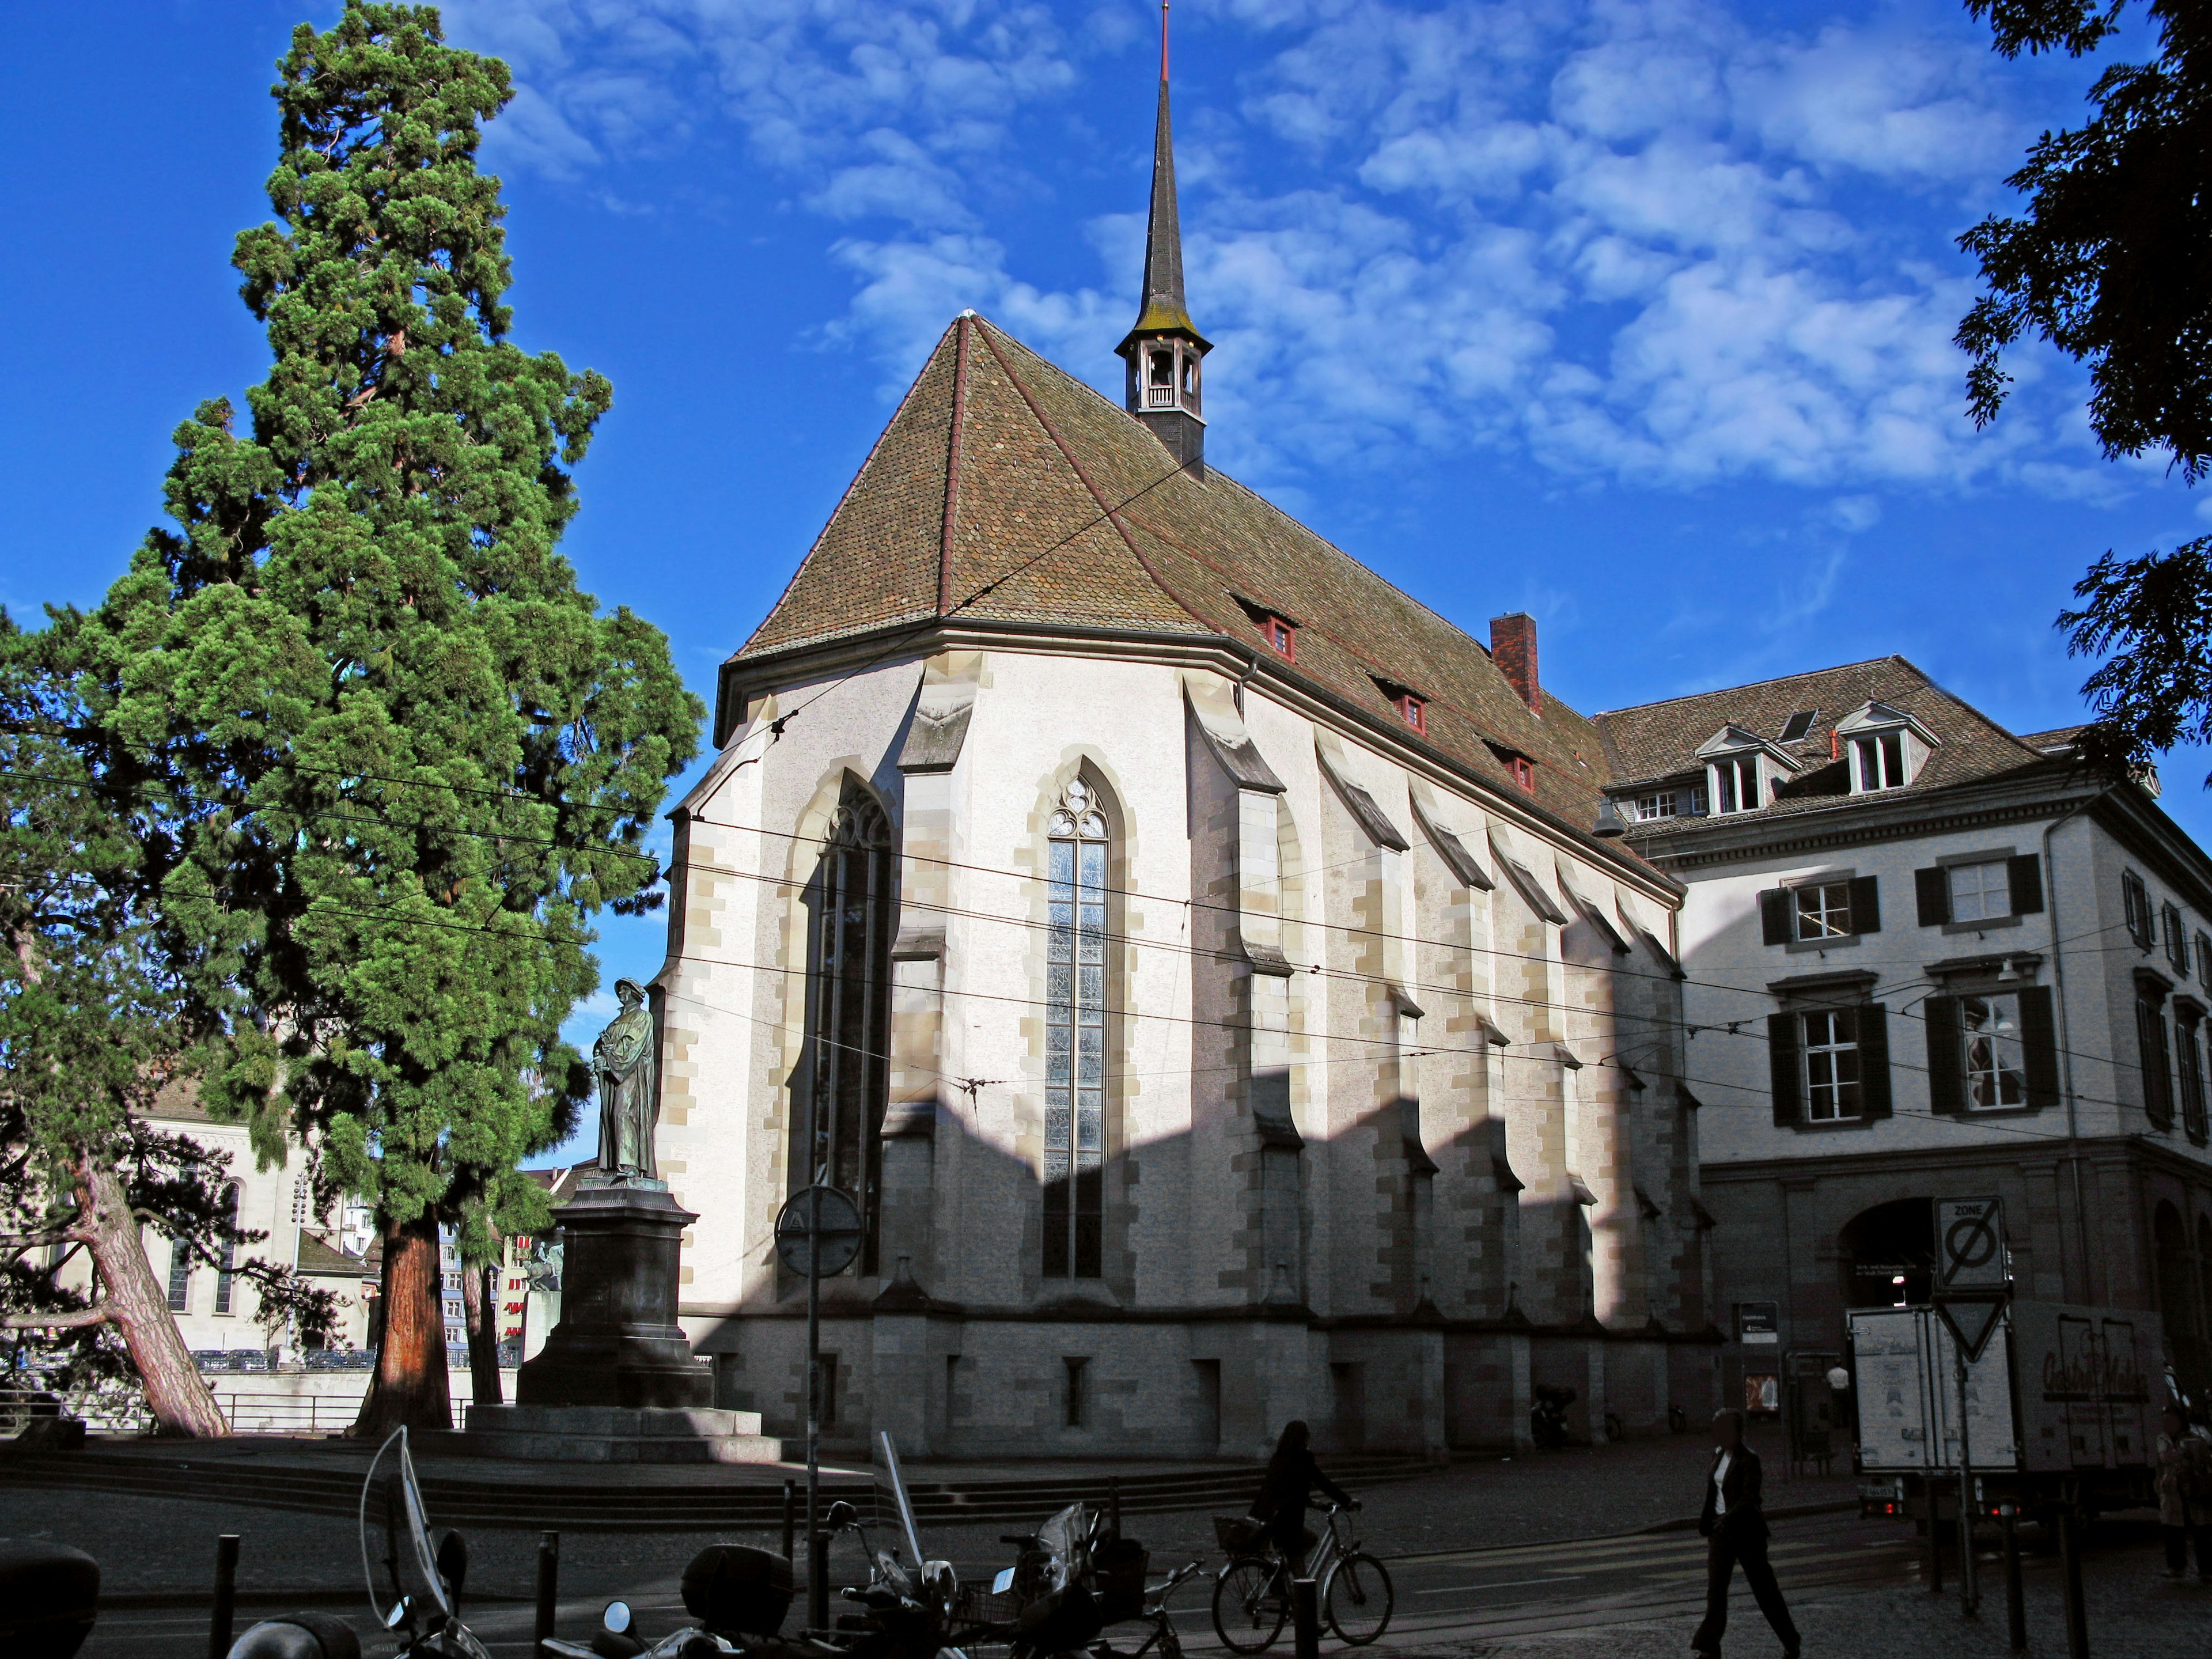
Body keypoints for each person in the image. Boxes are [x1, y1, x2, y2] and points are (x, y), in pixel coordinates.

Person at [1690, 1408, 1801, 1659]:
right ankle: (1709, 1647)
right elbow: (1715, 1492)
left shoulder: (1749, 1459)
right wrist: (1711, 1521)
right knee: (1716, 1591)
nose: (1716, 1434)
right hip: (1720, 1533)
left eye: (1721, 1429)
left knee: (1765, 1590)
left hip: (1747, 1532)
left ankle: (1791, 1640)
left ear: (1734, 1432)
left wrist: (1727, 1518)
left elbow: (1750, 1498)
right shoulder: (1718, 1456)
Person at [1249, 1421, 1355, 1573]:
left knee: (1310, 1540)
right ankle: (1281, 1580)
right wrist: (1347, 1501)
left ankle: (1277, 1577)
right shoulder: (1303, 1458)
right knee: (1302, 1578)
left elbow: (1289, 1491)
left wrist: (1314, 1503)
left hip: (1272, 1520)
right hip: (1288, 1524)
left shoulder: (1280, 1457)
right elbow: (1322, 1482)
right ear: (1304, 1438)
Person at [2154, 1406, 2211, 1580]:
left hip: (2192, 1488)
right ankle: (2176, 1567)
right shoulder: (2162, 1439)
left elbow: (2205, 1462)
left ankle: (2207, 1570)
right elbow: (2160, 1464)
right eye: (2166, 1421)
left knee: (2201, 1530)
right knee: (2172, 1530)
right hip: (2171, 1489)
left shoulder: (2194, 1439)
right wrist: (2158, 1484)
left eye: (2172, 1420)